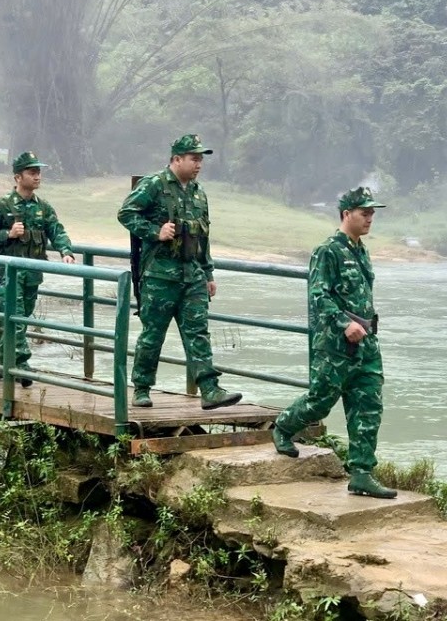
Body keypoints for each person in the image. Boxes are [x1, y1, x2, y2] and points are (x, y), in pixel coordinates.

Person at [271, 186, 396, 499]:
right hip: (335, 345)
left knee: (368, 407)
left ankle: (362, 474)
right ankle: (283, 427)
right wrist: (344, 323)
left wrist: (363, 327)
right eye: (364, 213)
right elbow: (318, 295)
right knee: (321, 401)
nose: (370, 218)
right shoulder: (327, 251)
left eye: (372, 213)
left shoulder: (361, 251)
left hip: (366, 343)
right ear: (346, 214)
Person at [117, 135, 242, 411]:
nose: (199, 164)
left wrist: (208, 273)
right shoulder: (154, 185)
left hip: (192, 275)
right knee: (153, 334)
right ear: (176, 159)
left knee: (198, 333)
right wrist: (155, 231)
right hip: (160, 276)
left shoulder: (199, 193)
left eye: (200, 159)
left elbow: (202, 237)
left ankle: (210, 389)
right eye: (194, 158)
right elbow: (126, 213)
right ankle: (141, 388)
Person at [0, 151, 75, 386]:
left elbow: (56, 230)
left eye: (38, 172)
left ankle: (3, 363)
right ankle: (21, 364)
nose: (37, 176)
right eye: (32, 172)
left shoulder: (43, 207)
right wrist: (7, 234)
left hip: (32, 272)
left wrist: (66, 251)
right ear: (18, 177)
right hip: (7, 273)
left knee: (22, 316)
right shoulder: (2, 206)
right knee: (16, 317)